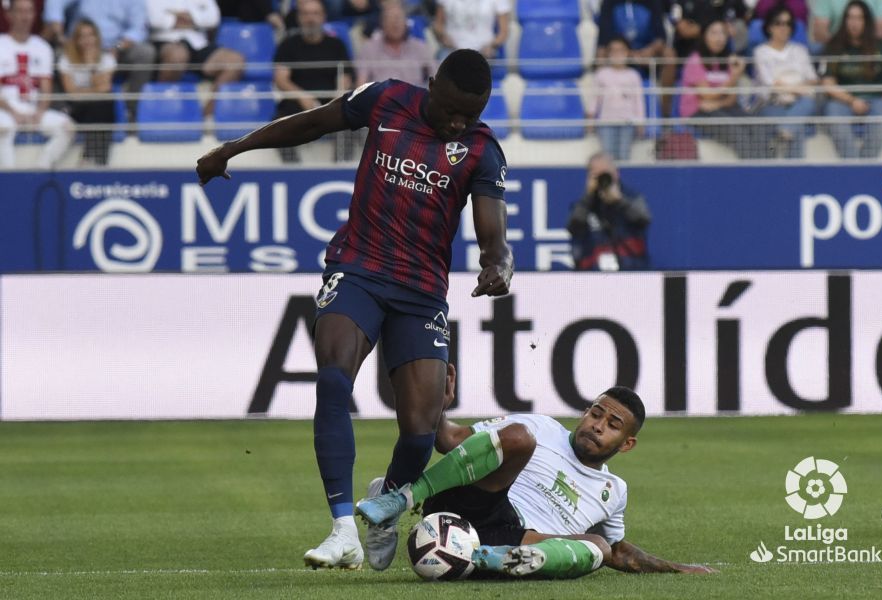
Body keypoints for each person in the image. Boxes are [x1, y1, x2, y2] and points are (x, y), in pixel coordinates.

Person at [195, 48, 513, 571]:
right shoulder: (387, 99)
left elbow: (494, 237)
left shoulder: (481, 150)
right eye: (452, 110)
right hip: (358, 269)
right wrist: (233, 149)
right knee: (333, 377)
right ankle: (343, 526)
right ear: (431, 85)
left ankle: (384, 507)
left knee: (419, 428)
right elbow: (311, 122)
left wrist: (498, 265)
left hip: (421, 292)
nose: (459, 122)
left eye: (470, 114)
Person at [356, 364, 718, 577]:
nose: (596, 425)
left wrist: (677, 569)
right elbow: (451, 441)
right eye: (595, 413)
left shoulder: (615, 491)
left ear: (627, 443)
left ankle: (499, 561)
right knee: (519, 438)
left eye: (612, 423)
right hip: (480, 505)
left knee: (599, 547)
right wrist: (439, 406)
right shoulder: (543, 427)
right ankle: (399, 500)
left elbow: (620, 551)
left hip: (519, 540)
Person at [43, 0, 156, 120]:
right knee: (53, 55)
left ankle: (131, 109)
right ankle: (61, 111)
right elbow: (55, 3)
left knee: (145, 52)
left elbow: (138, 28)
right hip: (77, 45)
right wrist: (59, 33)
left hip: (117, 48)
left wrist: (118, 47)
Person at [272, 0, 353, 162]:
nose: (311, 18)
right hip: (297, 103)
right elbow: (281, 79)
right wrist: (303, 97)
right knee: (277, 125)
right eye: (306, 14)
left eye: (315, 13)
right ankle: (292, 170)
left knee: (353, 118)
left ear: (323, 17)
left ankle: (340, 167)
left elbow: (344, 79)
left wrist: (333, 104)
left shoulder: (336, 45)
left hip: (331, 102)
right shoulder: (288, 45)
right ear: (299, 18)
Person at [680, 18, 772, 160]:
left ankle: (764, 171)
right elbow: (707, 96)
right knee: (738, 133)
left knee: (758, 128)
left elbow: (732, 98)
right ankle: (753, 175)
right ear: (704, 36)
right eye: (714, 33)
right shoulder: (695, 60)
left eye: (723, 33)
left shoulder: (728, 59)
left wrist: (717, 103)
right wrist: (734, 77)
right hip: (698, 112)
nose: (719, 38)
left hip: (722, 107)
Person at [821, 0, 882, 160]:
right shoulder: (834, 47)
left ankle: (863, 164)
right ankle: (852, 165)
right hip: (844, 101)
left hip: (879, 100)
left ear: (867, 21)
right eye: (850, 18)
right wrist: (852, 101)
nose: (854, 23)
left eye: (859, 18)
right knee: (832, 112)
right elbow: (827, 83)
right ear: (844, 20)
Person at [0, 0, 73, 169]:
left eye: (29, 11)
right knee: (2, 128)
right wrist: (13, 112)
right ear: (8, 14)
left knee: (67, 128)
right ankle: (9, 179)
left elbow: (45, 87)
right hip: (5, 109)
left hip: (33, 109)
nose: (24, 17)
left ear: (34, 14)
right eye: (19, 11)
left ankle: (40, 170)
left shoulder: (42, 47)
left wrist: (40, 111)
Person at [147, 0, 245, 115]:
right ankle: (162, 110)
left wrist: (181, 16)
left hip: (197, 42)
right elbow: (153, 20)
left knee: (235, 61)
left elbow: (213, 18)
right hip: (164, 40)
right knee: (177, 56)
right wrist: (193, 18)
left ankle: (205, 117)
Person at [753, 6, 818, 159]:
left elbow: (812, 79)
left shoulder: (800, 50)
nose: (784, 28)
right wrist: (798, 88)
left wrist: (791, 88)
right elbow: (770, 84)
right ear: (769, 27)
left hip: (799, 102)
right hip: (772, 103)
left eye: (788, 23)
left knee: (808, 104)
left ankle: (784, 133)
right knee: (798, 125)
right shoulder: (760, 52)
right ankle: (795, 174)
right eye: (779, 23)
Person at [566, 152, 650, 271]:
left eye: (606, 174)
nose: (603, 180)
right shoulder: (583, 204)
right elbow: (573, 226)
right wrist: (588, 197)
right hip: (591, 274)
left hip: (630, 271)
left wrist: (620, 201)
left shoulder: (632, 197)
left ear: (616, 173)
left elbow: (644, 219)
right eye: (597, 175)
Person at [595, 0, 676, 117]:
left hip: (646, 53)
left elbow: (660, 37)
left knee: (669, 55)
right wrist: (628, 53)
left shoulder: (654, 3)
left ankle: (665, 114)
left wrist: (648, 51)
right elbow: (604, 40)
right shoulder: (608, 3)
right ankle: (599, 110)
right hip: (618, 51)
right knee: (601, 53)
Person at [58, 18, 116, 165]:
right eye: (82, 36)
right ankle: (98, 163)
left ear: (97, 37)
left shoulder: (107, 59)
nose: (87, 40)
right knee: (101, 104)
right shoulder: (66, 60)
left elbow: (105, 88)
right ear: (76, 40)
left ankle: (89, 159)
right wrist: (94, 90)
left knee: (103, 104)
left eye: (90, 35)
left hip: (96, 110)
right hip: (76, 109)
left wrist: (91, 66)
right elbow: (71, 93)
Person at [355, 0, 435, 88]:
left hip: (414, 98)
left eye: (399, 18)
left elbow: (435, 78)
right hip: (381, 99)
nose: (395, 23)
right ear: (382, 23)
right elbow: (360, 86)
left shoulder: (419, 46)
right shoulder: (369, 48)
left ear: (406, 22)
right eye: (390, 19)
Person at [591, 37, 646, 162]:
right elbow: (595, 98)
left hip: (627, 122)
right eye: (613, 51)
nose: (617, 54)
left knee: (624, 156)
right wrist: (591, 117)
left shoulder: (633, 75)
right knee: (607, 157)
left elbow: (638, 100)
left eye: (621, 50)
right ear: (608, 53)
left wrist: (640, 122)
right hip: (606, 122)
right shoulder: (602, 74)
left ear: (628, 52)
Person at [432, 0, 509, 61]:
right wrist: (443, 38)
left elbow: (504, 32)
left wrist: (491, 46)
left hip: (484, 51)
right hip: (451, 50)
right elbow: (438, 25)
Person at [670, 0, 750, 59]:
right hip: (686, 53)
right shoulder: (680, 2)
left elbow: (728, 29)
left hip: (719, 57)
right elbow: (685, 31)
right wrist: (709, 28)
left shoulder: (720, 3)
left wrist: (701, 28)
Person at [812, 0, 882, 45]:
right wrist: (839, 47)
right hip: (836, 45)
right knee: (816, 48)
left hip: (871, 45)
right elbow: (820, 32)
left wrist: (862, 46)